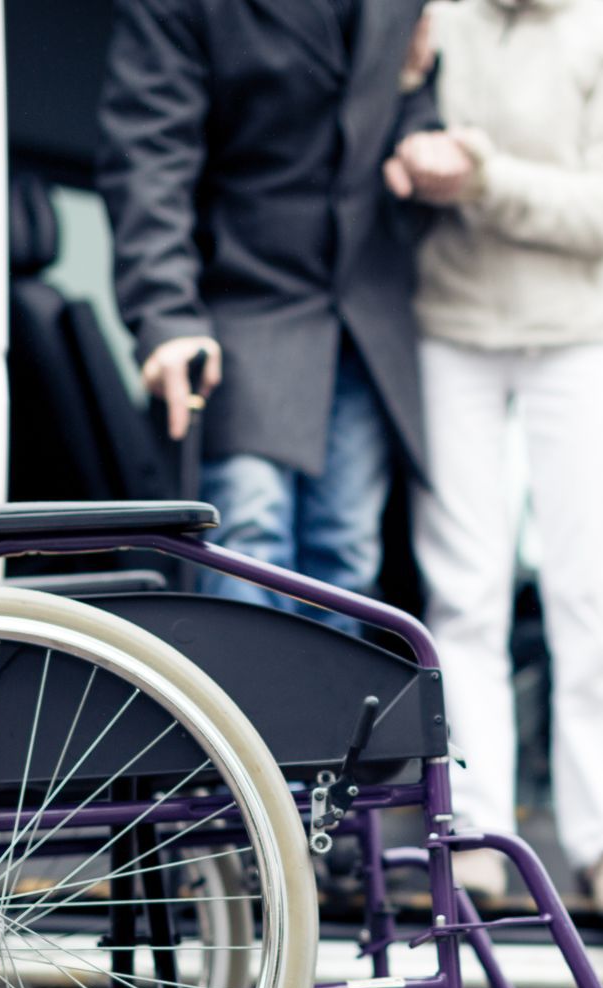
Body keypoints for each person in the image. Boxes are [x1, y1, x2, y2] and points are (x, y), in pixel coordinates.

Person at [388, 0, 603, 920]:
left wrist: (484, 178)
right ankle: (471, 832)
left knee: (587, 592)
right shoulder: (437, 19)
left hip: (583, 339)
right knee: (460, 594)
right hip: (450, 329)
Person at [98, 0, 471, 627]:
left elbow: (400, 123)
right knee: (246, 534)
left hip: (363, 316)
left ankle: (324, 727)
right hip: (245, 302)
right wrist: (166, 315)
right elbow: (150, 159)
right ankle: (239, 726)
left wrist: (422, 145)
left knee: (347, 556)